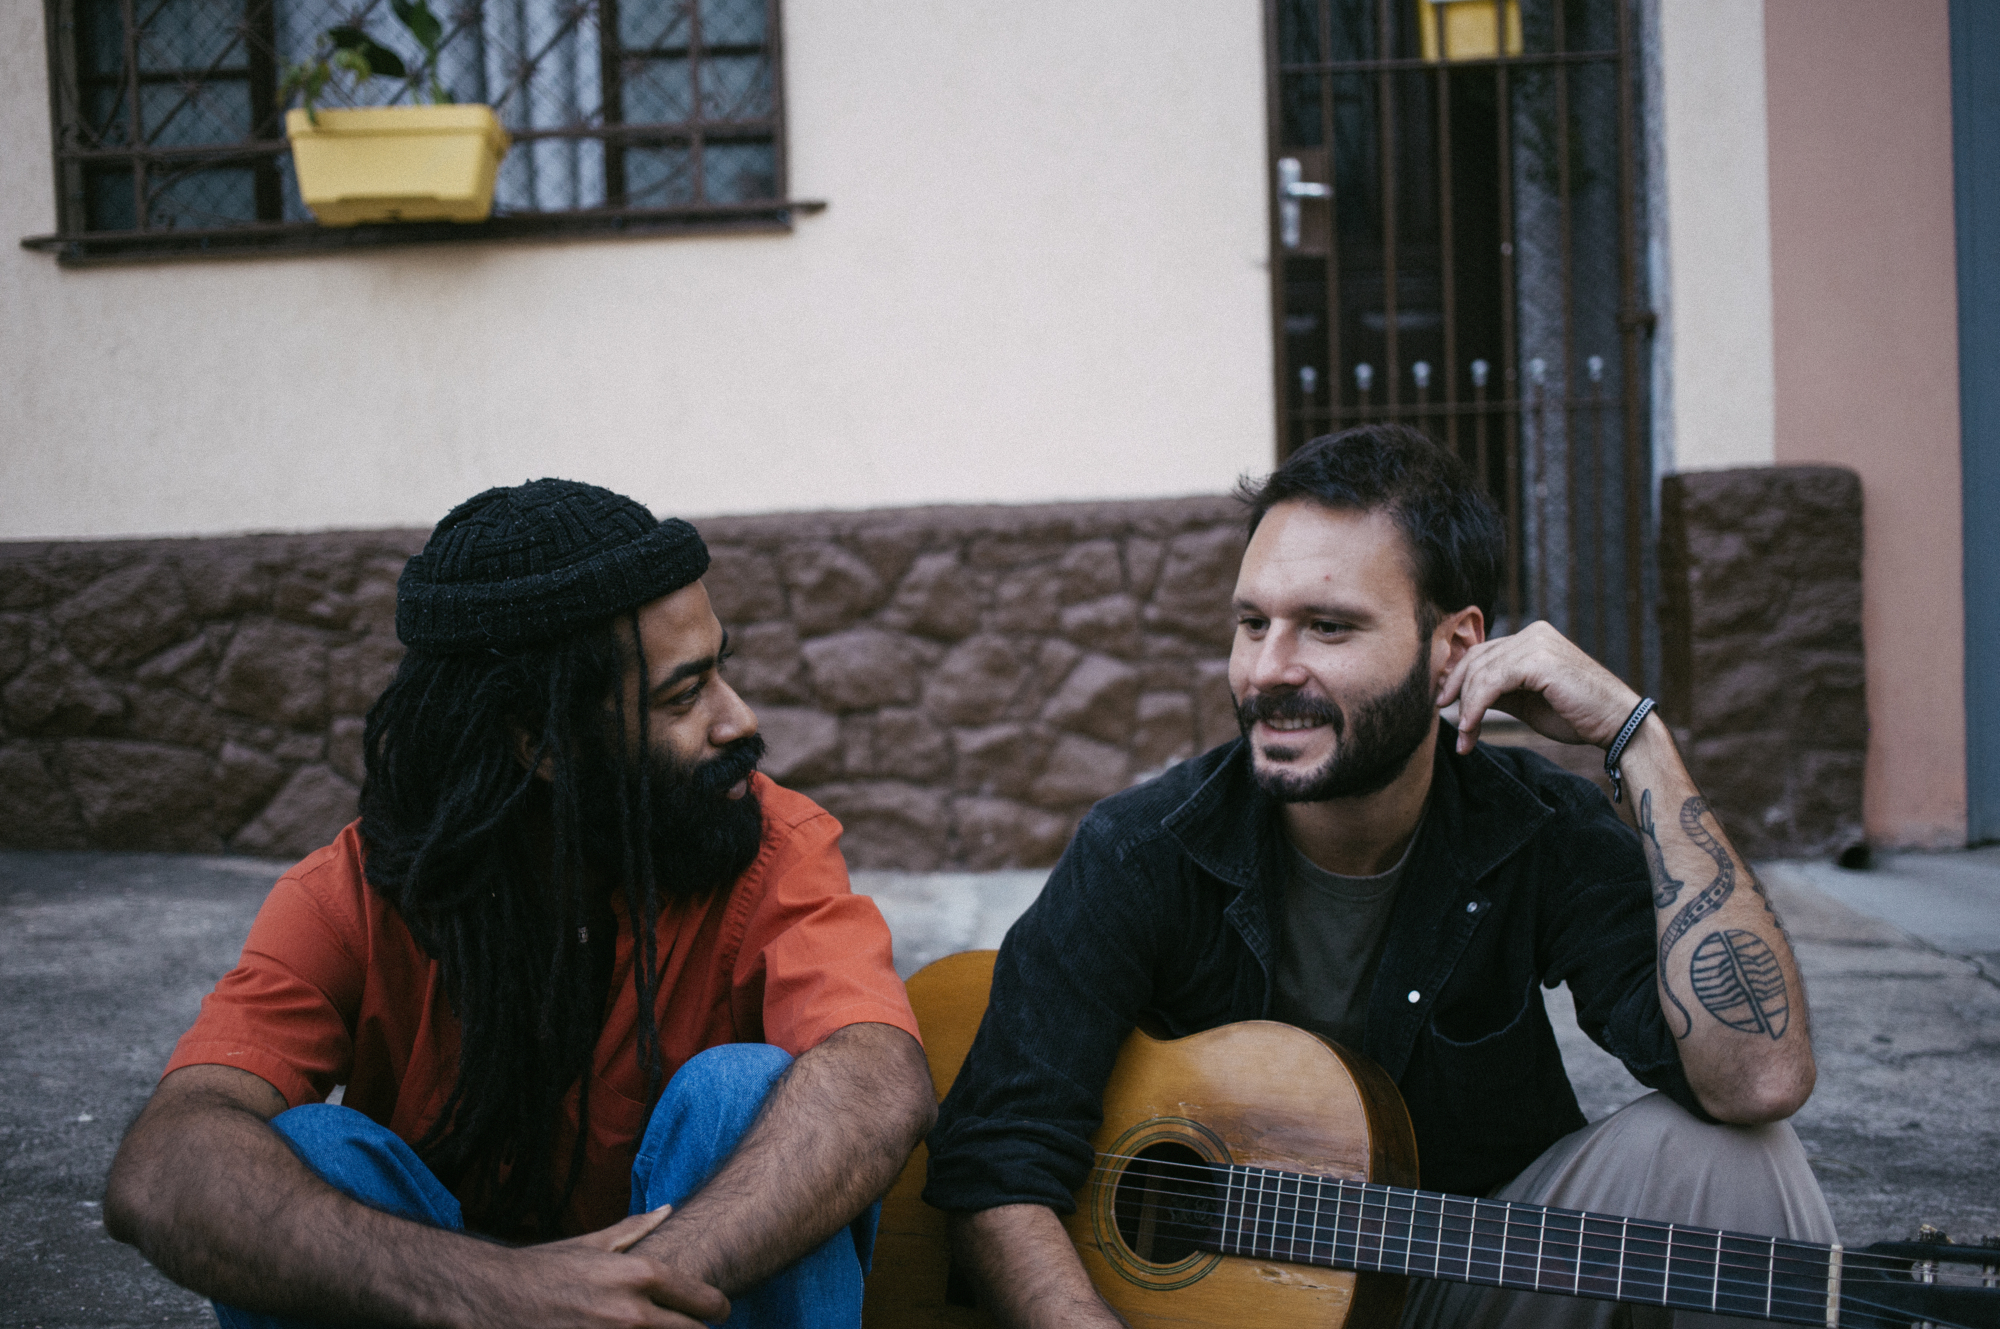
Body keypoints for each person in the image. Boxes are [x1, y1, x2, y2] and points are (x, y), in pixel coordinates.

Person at [924, 425, 1833, 1329]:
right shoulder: (1143, 848)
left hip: (1453, 1276)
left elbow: (1755, 1078)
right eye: (1252, 624)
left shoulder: (1534, 828)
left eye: (1327, 626)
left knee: (1744, 1159)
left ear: (1454, 647)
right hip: (1219, 1312)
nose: (1269, 670)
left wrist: (1637, 740)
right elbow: (996, 1153)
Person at [105, 478, 936, 1329]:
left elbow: (874, 1078)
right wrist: (494, 1295)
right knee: (313, 1154)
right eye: (683, 697)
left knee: (743, 1094)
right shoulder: (354, 891)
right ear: (542, 745)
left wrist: (616, 1296)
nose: (739, 719)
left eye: (720, 670)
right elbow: (167, 1162)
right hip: (452, 1312)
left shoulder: (771, 844)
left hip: (683, 1308)